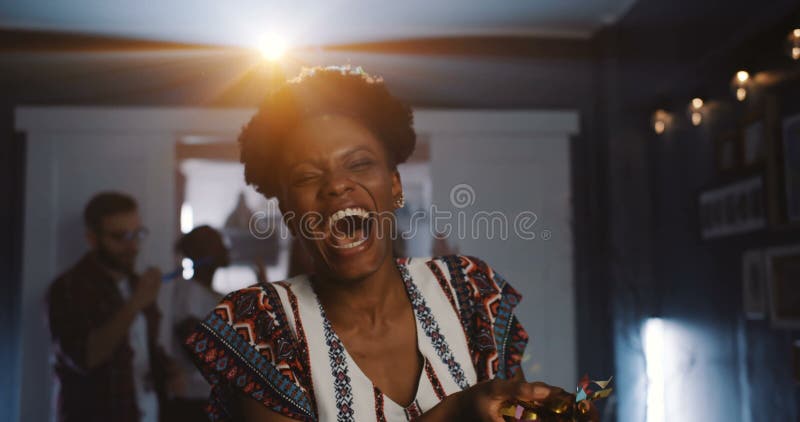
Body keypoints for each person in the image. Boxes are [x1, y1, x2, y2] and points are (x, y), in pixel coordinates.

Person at [184, 66, 597, 421]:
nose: (337, 185)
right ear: (287, 209)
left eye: (360, 163)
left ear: (394, 186)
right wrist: (453, 413)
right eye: (308, 177)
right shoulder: (260, 324)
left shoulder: (470, 291)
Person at [46, 192, 179, 422]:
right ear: (92, 239)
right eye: (120, 237)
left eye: (137, 234)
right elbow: (84, 358)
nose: (132, 246)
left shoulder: (137, 283)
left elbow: (142, 347)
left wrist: (168, 369)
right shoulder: (68, 289)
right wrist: (135, 304)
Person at [168, 225, 230, 420]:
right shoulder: (189, 294)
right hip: (194, 401)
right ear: (206, 253)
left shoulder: (214, 294)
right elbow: (197, 348)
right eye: (219, 244)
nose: (226, 249)